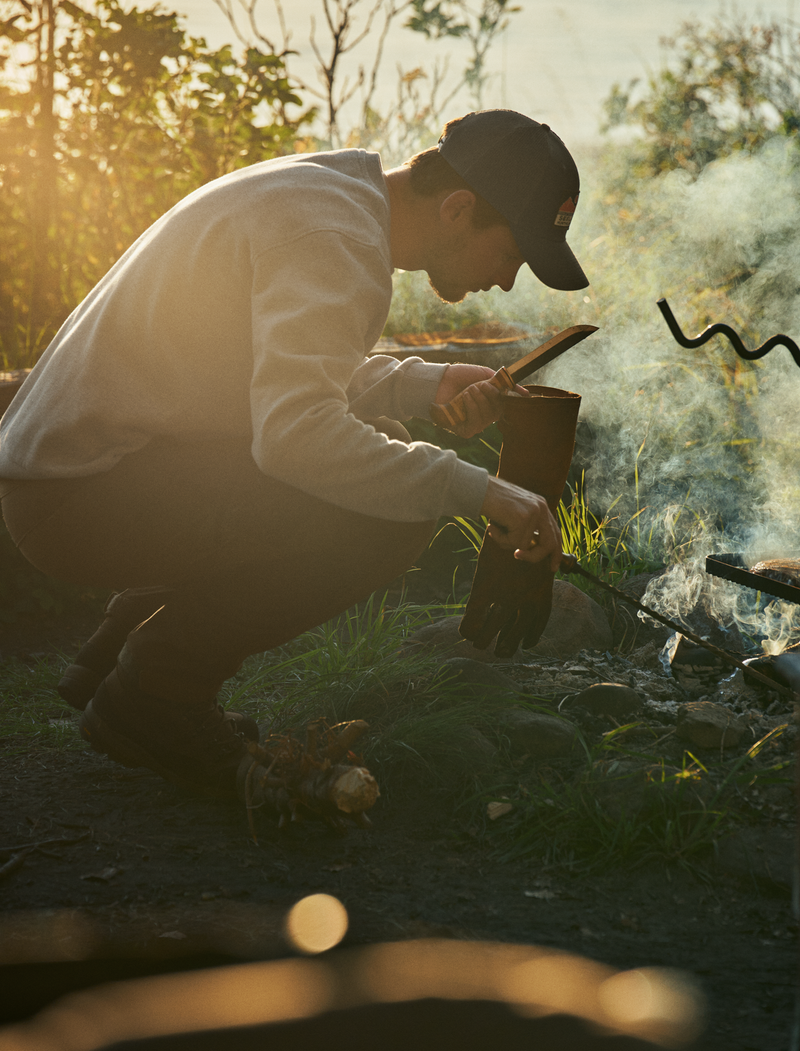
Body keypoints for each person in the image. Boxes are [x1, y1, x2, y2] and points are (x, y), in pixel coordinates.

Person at [0, 108, 588, 797]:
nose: (508, 280)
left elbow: (275, 371)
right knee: (389, 517)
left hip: (89, 469)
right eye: (510, 253)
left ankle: (129, 649)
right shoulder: (335, 238)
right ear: (460, 209)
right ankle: (156, 694)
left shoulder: (336, 192)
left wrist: (424, 384)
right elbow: (296, 435)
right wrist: (487, 492)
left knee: (385, 463)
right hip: (78, 497)